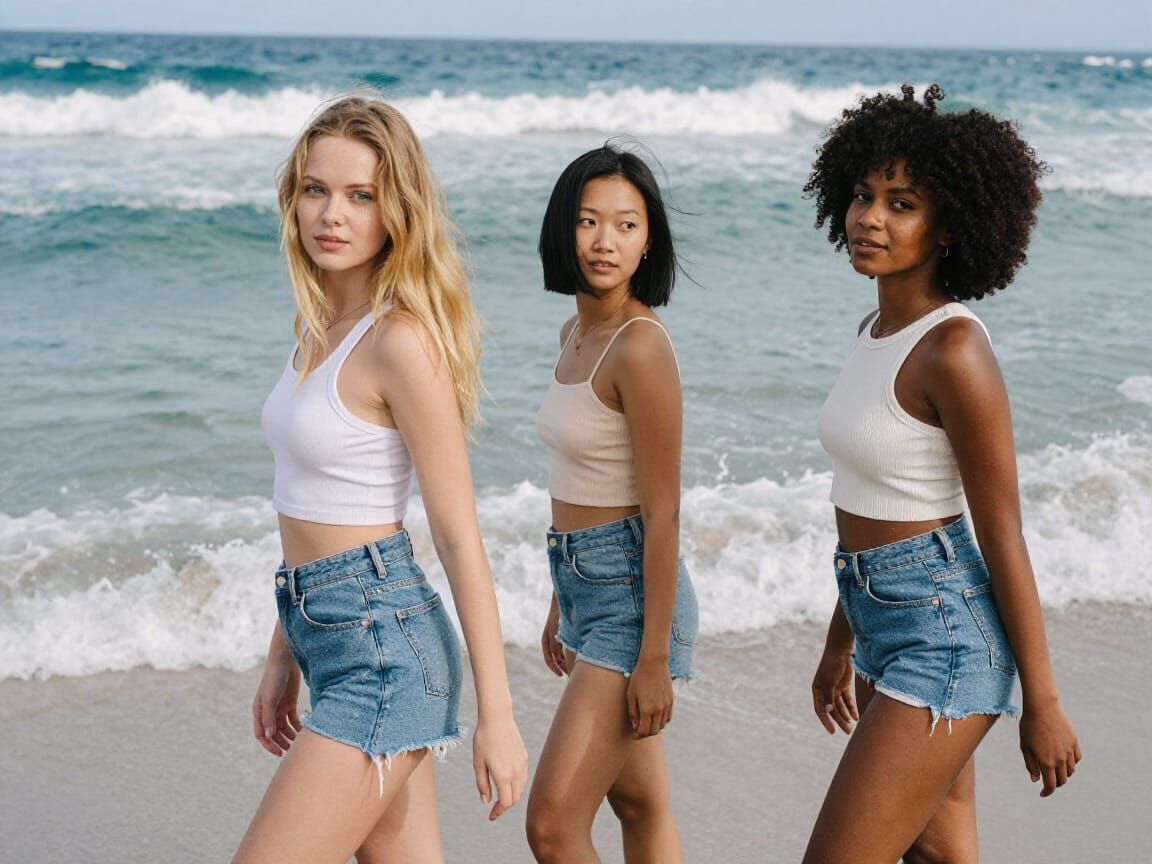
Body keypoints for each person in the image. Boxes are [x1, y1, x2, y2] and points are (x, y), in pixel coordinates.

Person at [235, 95, 527, 864]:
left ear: (396, 211)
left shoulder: (400, 341)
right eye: (316, 189)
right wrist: (281, 657)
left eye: (361, 196)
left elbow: (459, 537)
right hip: (325, 634)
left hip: (385, 651)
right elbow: (307, 506)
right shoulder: (314, 330)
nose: (333, 214)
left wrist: (497, 717)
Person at [802, 84, 1082, 863]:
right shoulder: (874, 331)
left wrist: (1043, 702)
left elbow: (1000, 533)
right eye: (862, 196)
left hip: (946, 640)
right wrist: (840, 642)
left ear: (950, 225)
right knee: (940, 856)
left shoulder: (953, 351)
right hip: (880, 620)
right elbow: (870, 501)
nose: (870, 218)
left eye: (902, 204)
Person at [526, 144, 699, 864]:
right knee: (638, 802)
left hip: (635, 602)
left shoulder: (640, 347)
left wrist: (653, 657)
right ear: (564, 228)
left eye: (626, 225)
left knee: (552, 825)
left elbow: (662, 515)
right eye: (590, 221)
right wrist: (561, 600)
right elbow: (582, 483)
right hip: (586, 585)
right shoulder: (574, 334)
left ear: (647, 239)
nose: (605, 241)